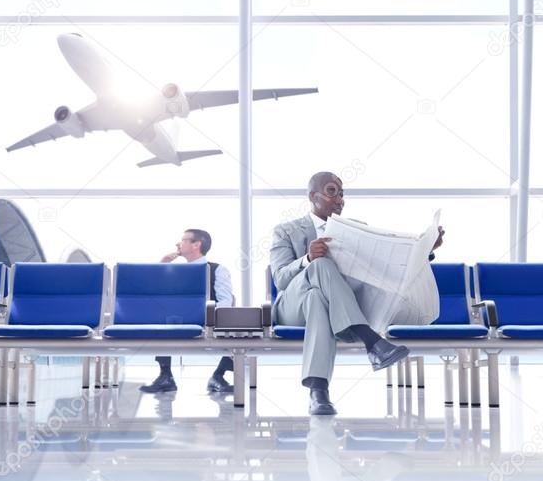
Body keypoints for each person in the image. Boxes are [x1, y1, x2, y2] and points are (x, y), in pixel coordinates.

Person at [269, 172, 444, 415]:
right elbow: (280, 279)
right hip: (291, 306)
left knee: (317, 300)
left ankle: (318, 392)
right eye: (332, 191)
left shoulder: (356, 230)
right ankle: (371, 340)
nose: (339, 199)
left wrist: (425, 251)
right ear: (313, 196)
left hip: (328, 308)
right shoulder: (286, 231)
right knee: (320, 266)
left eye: (342, 194)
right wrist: (307, 259)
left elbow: (386, 267)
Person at [139, 228, 237, 394]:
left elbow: (225, 301)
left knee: (234, 322)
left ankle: (219, 375)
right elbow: (151, 292)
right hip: (176, 320)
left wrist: (213, 322)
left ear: (196, 245)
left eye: (183, 240)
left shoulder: (217, 269)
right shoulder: (173, 271)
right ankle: (165, 376)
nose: (178, 243)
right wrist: (162, 264)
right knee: (162, 316)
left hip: (207, 319)